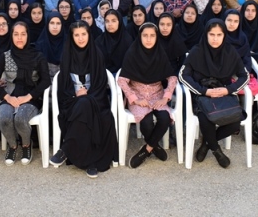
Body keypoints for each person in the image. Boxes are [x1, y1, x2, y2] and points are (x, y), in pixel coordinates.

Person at [49, 21, 118, 178]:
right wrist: (75, 95)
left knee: (86, 104)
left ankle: (66, 150)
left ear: (89, 35)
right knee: (83, 105)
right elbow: (63, 87)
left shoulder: (96, 54)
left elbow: (101, 85)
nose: (80, 38)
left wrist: (87, 95)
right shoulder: (67, 55)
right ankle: (91, 163)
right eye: (77, 35)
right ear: (72, 37)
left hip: (96, 100)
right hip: (72, 102)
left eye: (83, 34)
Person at [179, 19, 249, 168]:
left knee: (235, 122)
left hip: (223, 94)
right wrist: (204, 91)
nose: (215, 39)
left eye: (219, 35)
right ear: (206, 34)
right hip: (202, 95)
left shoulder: (230, 52)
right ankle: (217, 151)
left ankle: (206, 144)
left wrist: (228, 90)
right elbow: (183, 75)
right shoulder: (197, 51)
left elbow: (245, 76)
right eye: (212, 34)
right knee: (206, 119)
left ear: (224, 35)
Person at [0, 22, 50, 165]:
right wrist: (7, 97)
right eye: (16, 34)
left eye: (23, 34)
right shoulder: (6, 56)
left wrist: (28, 97)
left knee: (21, 118)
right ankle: (13, 145)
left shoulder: (38, 56)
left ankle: (26, 144)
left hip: (31, 97)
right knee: (4, 118)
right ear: (12, 36)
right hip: (9, 96)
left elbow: (46, 81)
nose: (19, 38)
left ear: (28, 36)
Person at [118, 22, 177, 168]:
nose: (149, 39)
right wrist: (135, 99)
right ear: (140, 37)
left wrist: (166, 96)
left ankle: (147, 149)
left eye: (152, 36)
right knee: (146, 122)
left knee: (164, 118)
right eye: (145, 35)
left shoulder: (160, 53)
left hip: (157, 94)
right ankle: (155, 147)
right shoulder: (132, 53)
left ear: (157, 37)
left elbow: (172, 77)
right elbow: (122, 80)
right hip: (138, 95)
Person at [224, 9, 258, 97]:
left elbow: (247, 58)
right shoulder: (219, 37)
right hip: (223, 73)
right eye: (229, 20)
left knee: (247, 91)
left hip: (239, 72)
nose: (232, 24)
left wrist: (243, 72)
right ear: (224, 20)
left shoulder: (242, 37)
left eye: (236, 21)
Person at [96, 10, 133, 75]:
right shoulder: (99, 41)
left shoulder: (127, 40)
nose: (110, 24)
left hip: (124, 76)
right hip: (103, 75)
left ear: (119, 22)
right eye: (107, 21)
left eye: (113, 21)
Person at [35, 12, 65, 81]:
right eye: (52, 23)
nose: (55, 27)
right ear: (47, 24)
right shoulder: (40, 45)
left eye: (58, 23)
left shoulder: (67, 43)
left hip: (65, 82)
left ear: (62, 25)